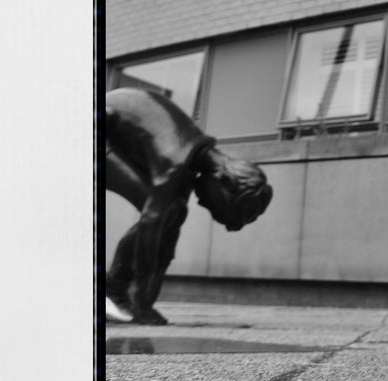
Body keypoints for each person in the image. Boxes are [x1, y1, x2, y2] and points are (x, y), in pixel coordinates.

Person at [104, 87, 273, 325]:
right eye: (214, 207)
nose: (202, 203)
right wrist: (142, 303)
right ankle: (112, 291)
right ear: (223, 181)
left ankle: (116, 292)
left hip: (118, 133)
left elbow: (168, 238)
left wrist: (146, 304)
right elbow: (151, 227)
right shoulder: (175, 161)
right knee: (162, 213)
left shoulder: (192, 158)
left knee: (172, 212)